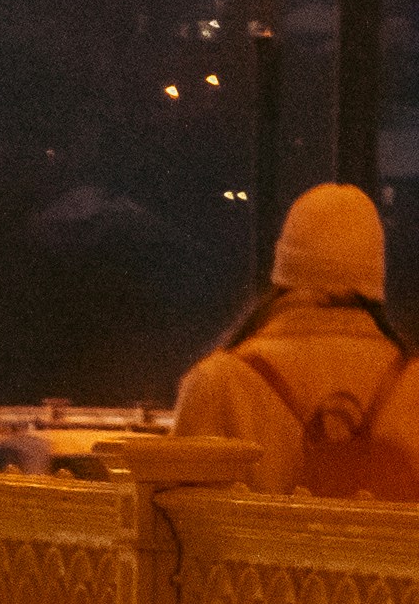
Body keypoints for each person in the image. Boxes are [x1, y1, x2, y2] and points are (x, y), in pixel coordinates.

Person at [172, 184, 419, 494]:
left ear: (283, 265)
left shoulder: (216, 383)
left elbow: (176, 530)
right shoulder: (412, 384)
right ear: (376, 274)